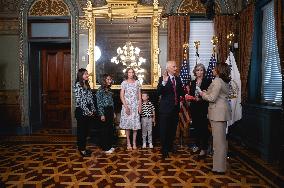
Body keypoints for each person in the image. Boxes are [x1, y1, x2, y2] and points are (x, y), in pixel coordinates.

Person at [199, 63, 232, 174]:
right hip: (221, 112)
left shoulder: (217, 81)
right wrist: (206, 92)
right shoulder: (223, 81)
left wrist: (202, 94)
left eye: (214, 68)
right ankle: (219, 166)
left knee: (218, 142)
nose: (212, 69)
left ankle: (219, 168)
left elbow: (212, 98)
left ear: (218, 70)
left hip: (218, 113)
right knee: (220, 141)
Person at [157, 60, 185, 158]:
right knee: (164, 130)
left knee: (172, 130)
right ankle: (164, 150)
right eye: (174, 66)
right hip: (165, 110)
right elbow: (159, 92)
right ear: (168, 68)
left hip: (175, 109)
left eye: (176, 66)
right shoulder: (162, 79)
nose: (176, 68)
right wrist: (164, 82)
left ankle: (169, 147)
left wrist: (186, 95)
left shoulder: (178, 79)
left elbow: (181, 92)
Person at [188, 64, 211, 157]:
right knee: (196, 128)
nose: (199, 72)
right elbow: (191, 94)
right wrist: (189, 98)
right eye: (197, 70)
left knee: (204, 128)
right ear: (195, 72)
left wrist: (201, 99)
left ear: (204, 72)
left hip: (204, 107)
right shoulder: (193, 82)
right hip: (194, 108)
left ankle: (204, 148)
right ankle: (197, 145)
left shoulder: (208, 81)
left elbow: (209, 95)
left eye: (201, 70)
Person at [74, 68, 96, 157]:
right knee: (81, 132)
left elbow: (90, 99)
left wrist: (93, 109)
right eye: (85, 74)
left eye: (87, 74)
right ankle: (81, 150)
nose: (87, 75)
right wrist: (88, 111)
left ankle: (83, 148)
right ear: (81, 75)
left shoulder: (86, 84)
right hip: (81, 111)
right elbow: (80, 101)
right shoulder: (77, 85)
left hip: (88, 110)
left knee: (86, 132)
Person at [119, 68, 142, 150]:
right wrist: (126, 106)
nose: (131, 74)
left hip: (135, 106)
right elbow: (121, 96)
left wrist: (140, 106)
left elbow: (139, 95)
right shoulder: (124, 83)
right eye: (129, 72)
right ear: (127, 73)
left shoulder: (137, 83)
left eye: (132, 72)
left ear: (134, 73)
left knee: (135, 125)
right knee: (127, 125)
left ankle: (134, 142)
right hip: (127, 106)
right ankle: (128, 142)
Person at [96, 74, 116, 154]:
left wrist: (113, 112)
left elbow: (112, 102)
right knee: (104, 130)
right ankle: (105, 148)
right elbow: (99, 103)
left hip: (110, 110)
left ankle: (109, 145)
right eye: (108, 79)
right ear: (104, 80)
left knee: (109, 129)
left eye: (110, 79)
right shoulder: (100, 90)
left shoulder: (109, 89)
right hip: (104, 111)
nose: (109, 81)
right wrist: (102, 114)